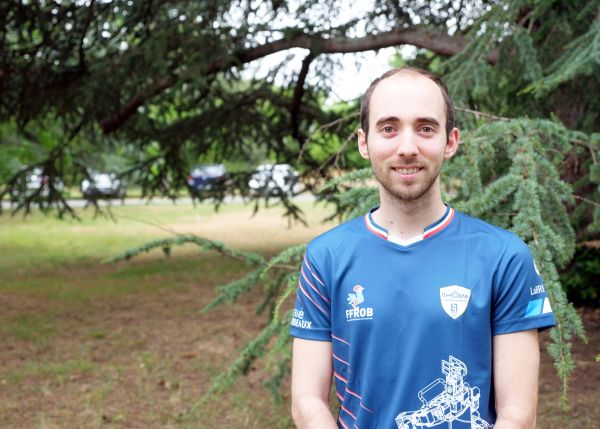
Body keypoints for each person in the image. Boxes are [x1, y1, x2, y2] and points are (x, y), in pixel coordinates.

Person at [289, 67, 555, 429]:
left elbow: (519, 414)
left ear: (450, 141)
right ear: (364, 142)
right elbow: (307, 400)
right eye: (389, 128)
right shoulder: (325, 258)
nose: (408, 147)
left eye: (426, 128)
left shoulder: (504, 257)